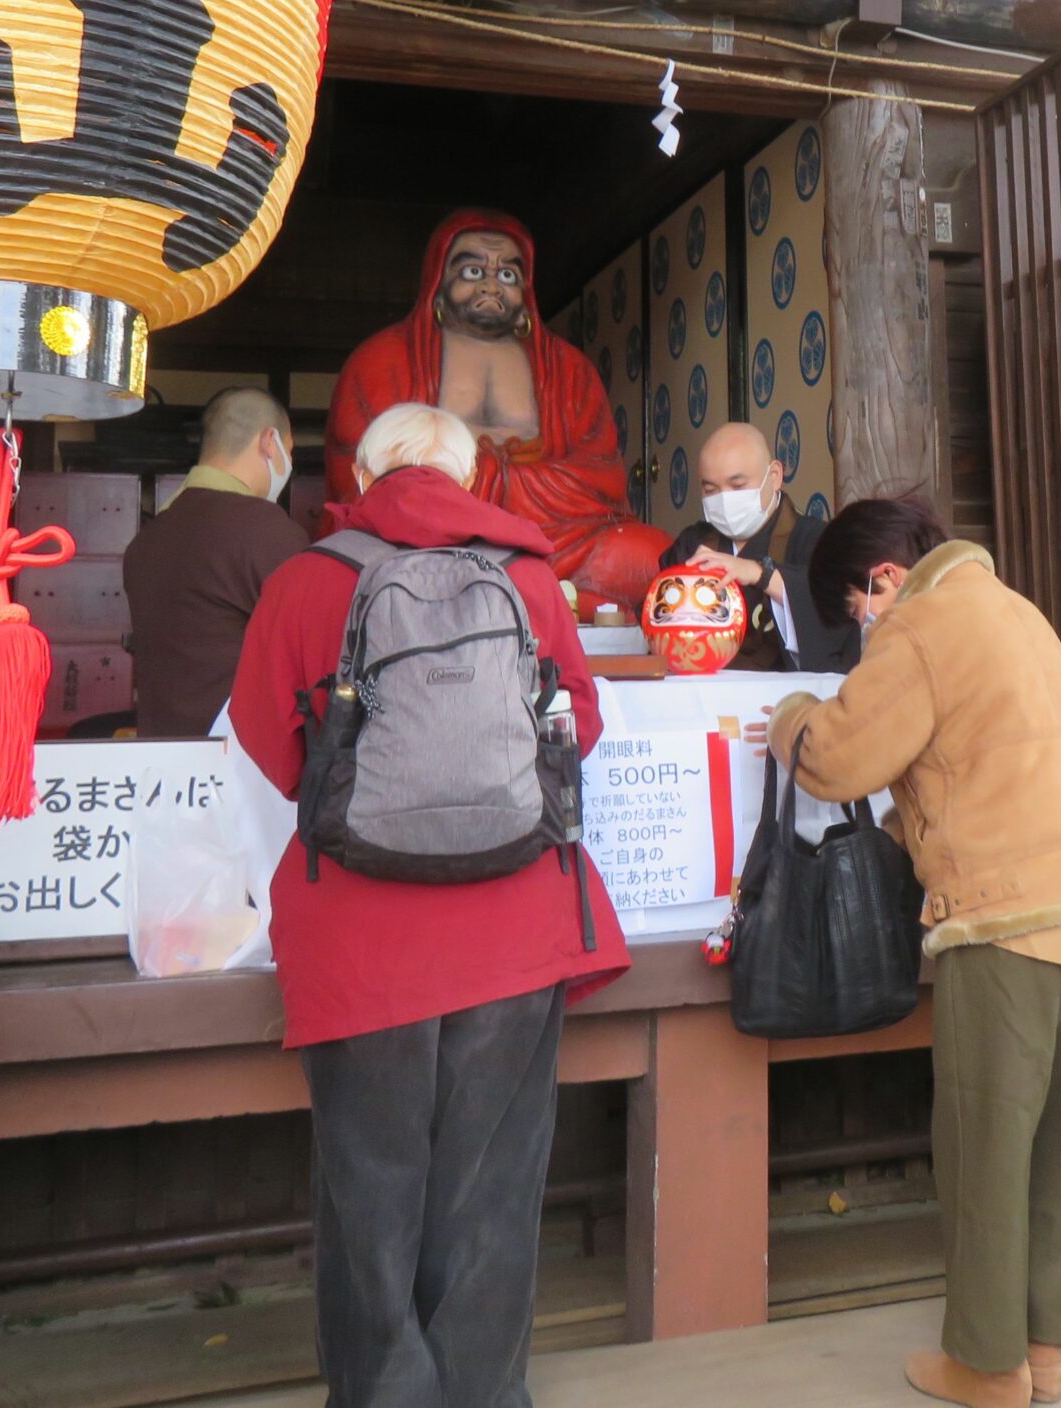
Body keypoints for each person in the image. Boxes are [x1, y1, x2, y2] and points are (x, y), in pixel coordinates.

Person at [231, 401, 628, 1408]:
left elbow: (269, 744)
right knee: (492, 1189)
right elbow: (574, 724)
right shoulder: (532, 578)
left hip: (359, 942)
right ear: (470, 473)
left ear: (362, 472)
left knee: (370, 1193)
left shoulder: (304, 580)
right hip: (515, 928)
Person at [769, 498, 1061, 1408]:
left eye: (856, 611)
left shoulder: (923, 624)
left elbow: (837, 758)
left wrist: (788, 714)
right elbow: (982, 763)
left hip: (1005, 918)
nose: (862, 629)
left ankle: (985, 1367)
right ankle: (1046, 1346)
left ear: (885, 581)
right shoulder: (1017, 611)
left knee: (985, 1147)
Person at [324, 209, 669, 608]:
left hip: (553, 538)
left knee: (649, 555)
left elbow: (604, 476)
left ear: (527, 292)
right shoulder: (382, 360)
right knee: (350, 564)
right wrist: (458, 495)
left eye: (508, 275)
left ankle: (530, 593)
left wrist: (503, 481)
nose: (491, 284)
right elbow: (357, 479)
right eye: (473, 271)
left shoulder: (568, 368)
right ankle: (543, 599)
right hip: (429, 537)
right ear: (437, 280)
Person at [121, 386, 307, 737]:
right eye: (290, 451)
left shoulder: (146, 540)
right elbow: (307, 656)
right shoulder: (267, 530)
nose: (290, 464)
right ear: (270, 442)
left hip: (162, 757)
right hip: (240, 759)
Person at [660, 422, 853, 672]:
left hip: (782, 702)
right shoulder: (693, 543)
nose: (724, 498)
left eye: (738, 486)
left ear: (774, 477)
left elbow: (839, 614)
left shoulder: (818, 540)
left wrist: (762, 575)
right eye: (710, 489)